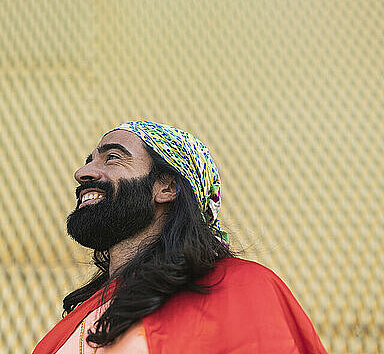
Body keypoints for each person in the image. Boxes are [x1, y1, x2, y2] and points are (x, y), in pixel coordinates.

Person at [33, 121, 327, 353]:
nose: (82, 172)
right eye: (90, 160)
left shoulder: (239, 288)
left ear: (166, 187)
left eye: (112, 158)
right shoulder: (67, 328)